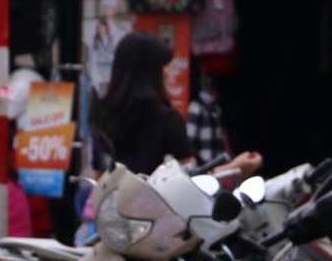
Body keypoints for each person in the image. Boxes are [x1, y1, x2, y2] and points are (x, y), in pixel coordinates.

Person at [89, 32, 263, 177]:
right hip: (152, 213)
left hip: (109, 213)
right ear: (149, 72)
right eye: (163, 66)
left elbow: (98, 176)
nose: (167, 72)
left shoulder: (100, 112)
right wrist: (235, 168)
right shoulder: (165, 119)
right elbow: (193, 179)